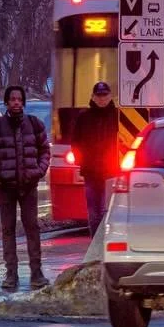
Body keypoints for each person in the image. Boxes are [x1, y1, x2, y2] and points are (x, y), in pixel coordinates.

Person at [0, 85, 51, 291]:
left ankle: (36, 272)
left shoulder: (34, 124)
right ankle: (11, 273)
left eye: (19, 99)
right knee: (8, 229)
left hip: (29, 184)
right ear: (6, 102)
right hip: (6, 186)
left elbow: (45, 151)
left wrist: (38, 171)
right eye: (12, 99)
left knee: (32, 228)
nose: (16, 102)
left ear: (23, 102)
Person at [71, 81, 121, 238]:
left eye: (104, 95)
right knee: (94, 213)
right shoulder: (84, 117)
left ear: (110, 96)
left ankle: (108, 245)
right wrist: (82, 162)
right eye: (98, 95)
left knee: (110, 211)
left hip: (112, 171)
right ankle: (96, 246)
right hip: (91, 172)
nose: (101, 99)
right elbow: (75, 142)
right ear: (93, 97)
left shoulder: (119, 117)